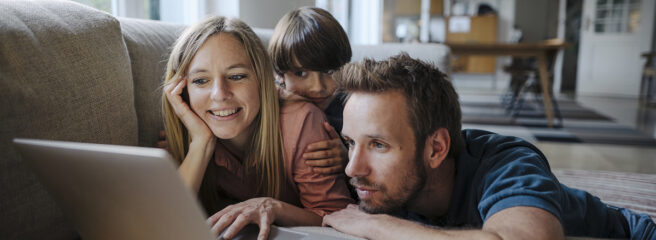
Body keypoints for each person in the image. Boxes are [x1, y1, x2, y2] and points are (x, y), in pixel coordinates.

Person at [322, 53, 656, 239]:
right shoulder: (378, 180)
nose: (353, 168)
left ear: (436, 148)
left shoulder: (507, 163)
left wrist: (376, 225)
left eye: (378, 145)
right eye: (350, 142)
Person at [161, 16, 353, 240]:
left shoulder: (304, 121)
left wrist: (273, 207)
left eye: (237, 76)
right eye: (201, 81)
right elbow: (161, 226)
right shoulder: (190, 128)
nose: (220, 94)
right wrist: (201, 145)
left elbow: (339, 220)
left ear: (263, 80)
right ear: (182, 91)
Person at [268, 7, 352, 175]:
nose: (317, 87)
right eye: (301, 73)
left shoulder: (352, 110)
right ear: (279, 75)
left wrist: (349, 159)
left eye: (329, 72)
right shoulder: (267, 111)